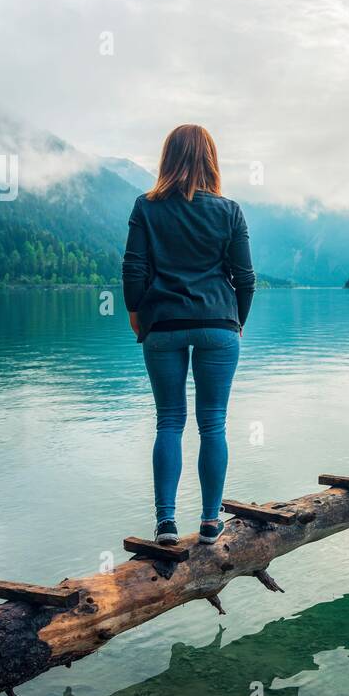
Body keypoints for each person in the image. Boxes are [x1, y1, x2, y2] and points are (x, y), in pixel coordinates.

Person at [122, 124, 255, 545]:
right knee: (213, 423)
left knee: (170, 421)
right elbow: (245, 278)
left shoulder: (147, 207)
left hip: (162, 323)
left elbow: (133, 269)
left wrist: (135, 311)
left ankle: (165, 523)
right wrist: (237, 321)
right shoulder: (230, 210)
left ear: (168, 158)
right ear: (211, 159)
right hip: (219, 324)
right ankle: (211, 522)